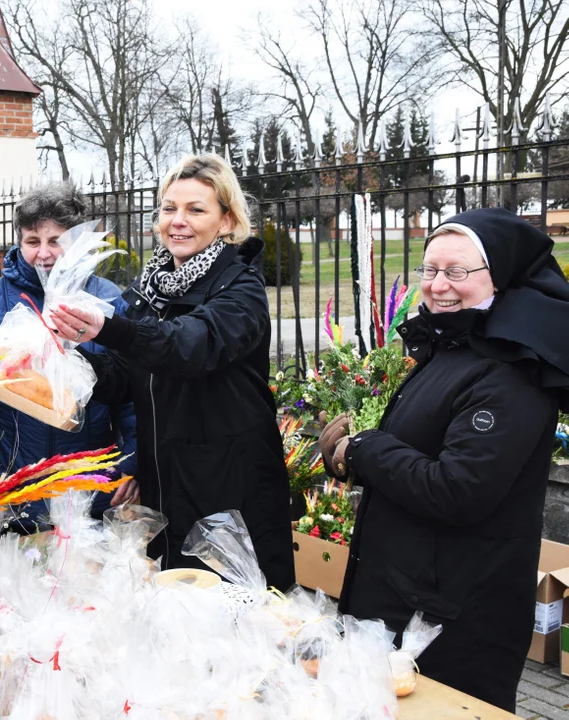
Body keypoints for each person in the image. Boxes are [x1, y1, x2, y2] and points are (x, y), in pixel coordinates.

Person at [319, 208, 569, 711]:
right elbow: (421, 455)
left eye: (457, 272)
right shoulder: (455, 346)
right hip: (410, 599)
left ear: (499, 278)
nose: (438, 285)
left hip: (452, 618)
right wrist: (353, 457)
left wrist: (364, 448)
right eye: (429, 270)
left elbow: (459, 490)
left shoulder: (509, 370)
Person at [49, 154, 295, 589]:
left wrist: (112, 329)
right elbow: (125, 373)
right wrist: (66, 363)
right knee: (175, 617)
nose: (177, 221)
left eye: (195, 210)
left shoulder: (240, 288)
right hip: (166, 486)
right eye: (169, 208)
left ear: (225, 221)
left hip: (229, 495)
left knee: (229, 622)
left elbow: (189, 346)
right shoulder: (151, 289)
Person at [0, 182, 138, 527]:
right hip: (9, 483)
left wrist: (132, 462)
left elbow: (133, 392)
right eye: (32, 241)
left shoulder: (107, 300)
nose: (44, 253)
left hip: (88, 484)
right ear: (19, 241)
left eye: (55, 241)